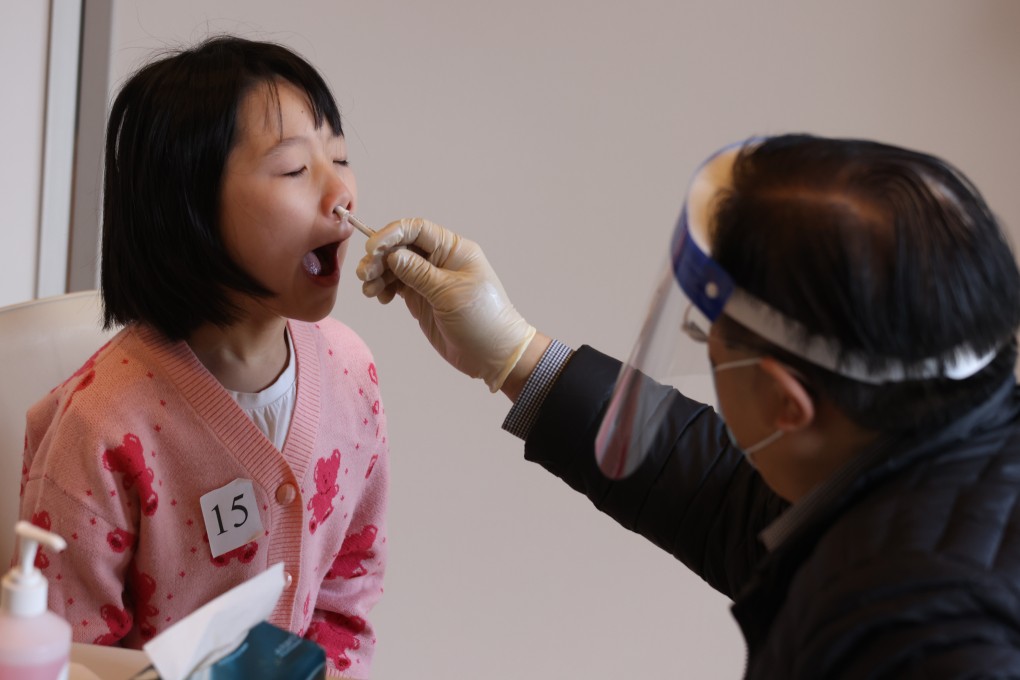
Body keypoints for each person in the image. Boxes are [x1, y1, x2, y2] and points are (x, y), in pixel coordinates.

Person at [356, 134, 1020, 677]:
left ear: (789, 403)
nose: (700, 348)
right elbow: (744, 507)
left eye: (705, 336)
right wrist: (518, 355)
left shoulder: (910, 638)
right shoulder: (944, 449)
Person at [18, 36, 388, 678]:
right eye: (296, 170)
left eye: (341, 157)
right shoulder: (101, 425)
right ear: (189, 206)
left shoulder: (353, 372)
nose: (341, 194)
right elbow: (67, 653)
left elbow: (346, 592)